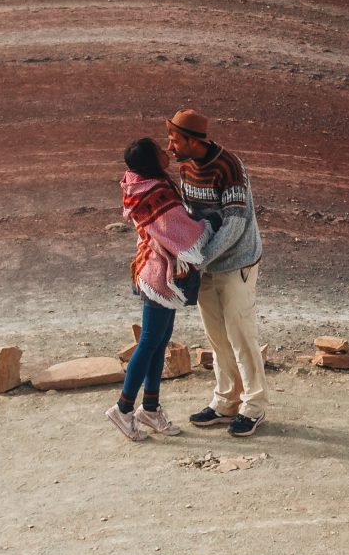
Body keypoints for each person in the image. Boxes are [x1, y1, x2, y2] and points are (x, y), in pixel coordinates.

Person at [165, 107, 266, 436]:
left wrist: (199, 259)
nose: (169, 147)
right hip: (206, 265)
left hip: (237, 263)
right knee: (217, 338)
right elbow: (191, 213)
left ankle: (254, 406)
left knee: (241, 336)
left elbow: (235, 225)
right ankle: (226, 401)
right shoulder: (186, 168)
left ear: (193, 142)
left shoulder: (228, 167)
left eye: (175, 140)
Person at [114, 137, 207, 441]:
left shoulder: (145, 185)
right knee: (151, 341)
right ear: (151, 161)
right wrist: (208, 226)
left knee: (159, 340)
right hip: (157, 273)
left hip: (155, 271)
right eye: (159, 150)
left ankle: (150, 408)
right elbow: (178, 229)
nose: (166, 152)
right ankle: (123, 408)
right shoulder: (156, 193)